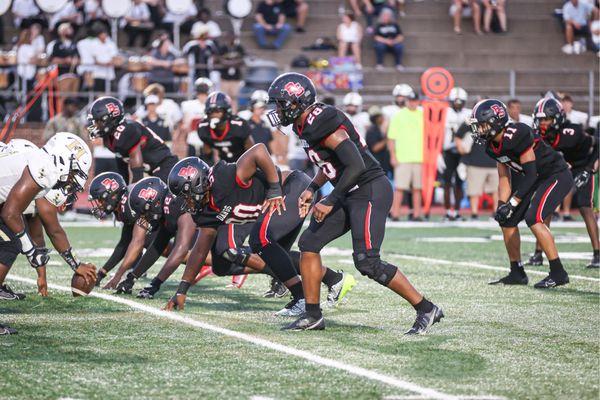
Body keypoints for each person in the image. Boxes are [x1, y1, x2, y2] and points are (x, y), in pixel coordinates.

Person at [265, 72, 443, 332]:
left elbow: (356, 164)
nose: (278, 109)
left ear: (298, 101)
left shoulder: (321, 121)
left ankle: (426, 308)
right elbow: (330, 163)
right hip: (348, 190)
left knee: (367, 261)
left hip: (369, 189)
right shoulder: (304, 124)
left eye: (282, 103)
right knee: (309, 243)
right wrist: (313, 188)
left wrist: (330, 198)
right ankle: (312, 315)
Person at [164, 149, 356, 315]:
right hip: (272, 207)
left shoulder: (224, 177)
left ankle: (301, 298)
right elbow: (199, 250)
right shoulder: (204, 211)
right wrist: (182, 290)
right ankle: (333, 279)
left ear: (200, 183)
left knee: (261, 241)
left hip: (293, 189)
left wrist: (274, 189)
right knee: (238, 262)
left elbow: (258, 151)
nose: (185, 202)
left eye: (186, 195)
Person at [469, 99, 574, 288]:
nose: (479, 130)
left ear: (496, 121)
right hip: (531, 178)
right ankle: (517, 272)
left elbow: (532, 173)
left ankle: (558, 272)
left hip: (553, 175)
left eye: (482, 125)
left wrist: (514, 202)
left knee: (533, 218)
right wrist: (502, 205)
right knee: (506, 220)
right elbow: (504, 178)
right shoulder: (491, 146)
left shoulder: (518, 133)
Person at [0, 134, 96, 335]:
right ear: (63, 159)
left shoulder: (38, 164)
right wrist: (30, 250)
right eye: (75, 171)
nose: (75, 179)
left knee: (10, 238)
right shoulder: (45, 168)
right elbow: (11, 213)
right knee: (10, 245)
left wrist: (44, 265)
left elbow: (37, 222)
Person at [525, 97, 599, 269]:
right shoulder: (537, 136)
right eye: (540, 119)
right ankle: (538, 253)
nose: (542, 123)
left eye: (546, 119)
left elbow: (598, 145)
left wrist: (589, 169)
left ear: (557, 118)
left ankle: (597, 253)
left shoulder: (571, 132)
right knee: (545, 207)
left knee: (584, 207)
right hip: (559, 171)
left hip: (581, 166)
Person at [108, 177, 197, 298]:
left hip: (220, 226)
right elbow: (156, 247)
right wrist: (131, 278)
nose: (145, 218)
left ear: (156, 202)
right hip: (207, 233)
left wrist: (154, 285)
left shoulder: (176, 205)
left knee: (221, 257)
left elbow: (181, 250)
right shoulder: (165, 210)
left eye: (146, 211)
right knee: (220, 266)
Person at [87, 96, 178, 183]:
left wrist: (131, 192)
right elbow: (122, 168)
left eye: (98, 121)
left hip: (166, 166)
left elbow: (137, 174)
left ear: (108, 118)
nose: (95, 126)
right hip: (154, 170)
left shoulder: (127, 130)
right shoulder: (109, 139)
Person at [387, 90, 424, 221]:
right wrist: (393, 156)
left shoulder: (423, 114)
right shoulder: (399, 115)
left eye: (415, 100)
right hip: (403, 157)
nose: (413, 103)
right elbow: (391, 138)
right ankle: (395, 213)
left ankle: (417, 214)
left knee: (418, 188)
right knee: (400, 188)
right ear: (407, 101)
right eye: (411, 100)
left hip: (420, 157)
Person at [454, 122, 498, 219]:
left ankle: (496, 212)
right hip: (475, 162)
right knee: (474, 191)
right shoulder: (469, 123)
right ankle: (474, 213)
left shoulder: (495, 121)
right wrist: (460, 148)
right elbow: (458, 136)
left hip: (493, 162)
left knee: (496, 190)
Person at [198, 92, 255, 164]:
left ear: (227, 111)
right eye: (210, 111)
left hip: (243, 162)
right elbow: (207, 155)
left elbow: (252, 151)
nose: (214, 114)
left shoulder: (238, 125)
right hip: (224, 163)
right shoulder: (204, 127)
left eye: (218, 111)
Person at [441, 87, 471, 221]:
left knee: (460, 182)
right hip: (447, 151)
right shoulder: (444, 113)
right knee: (446, 182)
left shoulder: (469, 113)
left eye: (461, 102)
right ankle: (448, 211)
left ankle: (457, 211)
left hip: (463, 152)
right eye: (456, 101)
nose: (458, 104)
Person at [217, 32, 246, 113]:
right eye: (229, 38)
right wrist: (230, 63)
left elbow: (242, 60)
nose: (231, 40)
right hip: (225, 77)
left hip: (236, 78)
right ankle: (224, 111)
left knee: (234, 97)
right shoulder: (223, 48)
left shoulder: (239, 48)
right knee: (224, 96)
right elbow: (220, 60)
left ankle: (234, 113)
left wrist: (232, 63)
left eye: (232, 38)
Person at [366, 106, 393, 179]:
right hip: (377, 166)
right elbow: (375, 148)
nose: (382, 118)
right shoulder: (372, 130)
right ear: (375, 118)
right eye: (380, 116)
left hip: (383, 165)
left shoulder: (379, 129)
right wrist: (388, 138)